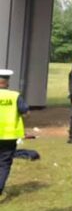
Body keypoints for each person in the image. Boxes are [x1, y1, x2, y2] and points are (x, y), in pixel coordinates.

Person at [0, 69, 28, 202]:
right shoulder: (15, 96)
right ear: (7, 83)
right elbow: (25, 111)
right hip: (9, 136)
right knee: (4, 164)